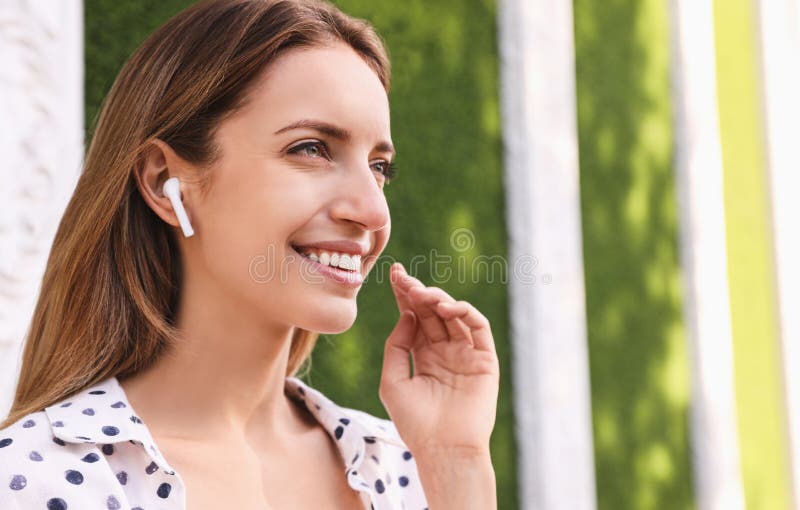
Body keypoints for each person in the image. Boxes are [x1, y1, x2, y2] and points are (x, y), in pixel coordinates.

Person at [0, 0, 500, 508]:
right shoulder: (33, 479)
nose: (373, 211)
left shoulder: (401, 468)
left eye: (379, 167)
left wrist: (456, 464)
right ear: (165, 182)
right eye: (311, 148)